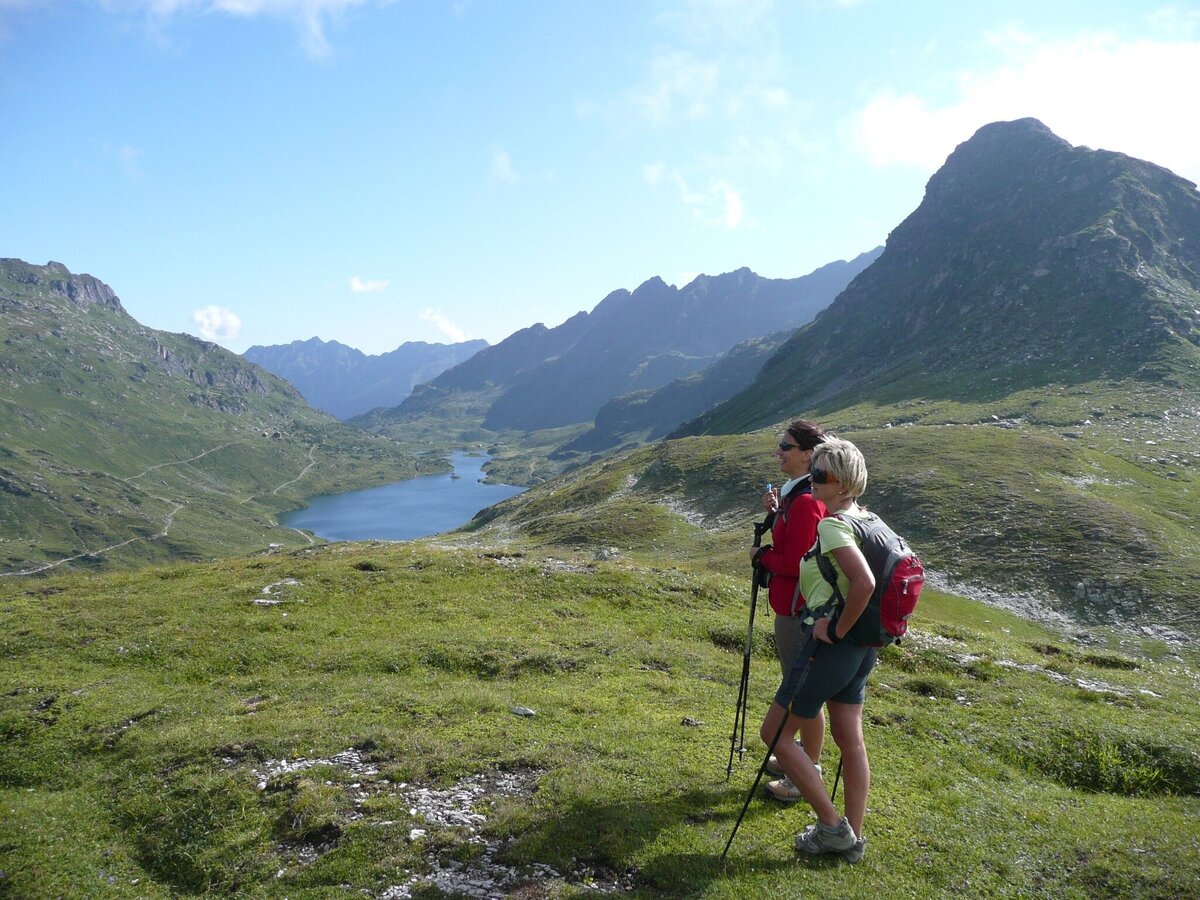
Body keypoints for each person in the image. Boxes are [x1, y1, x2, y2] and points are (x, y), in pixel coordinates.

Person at [758, 437, 877, 863]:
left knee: (775, 733)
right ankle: (853, 838)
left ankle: (831, 827)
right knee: (851, 741)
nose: (813, 480)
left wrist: (836, 629)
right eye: (815, 472)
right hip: (863, 647)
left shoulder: (832, 525)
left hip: (831, 647)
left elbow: (864, 583)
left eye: (821, 475)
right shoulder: (870, 520)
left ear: (842, 483)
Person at [750, 420, 827, 802]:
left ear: (808, 455)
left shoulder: (807, 501)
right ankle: (796, 759)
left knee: (804, 694)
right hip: (793, 608)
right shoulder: (796, 497)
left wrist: (762, 556)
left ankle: (806, 771)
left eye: (786, 446)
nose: (778, 451)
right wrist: (777, 512)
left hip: (799, 611)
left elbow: (798, 561)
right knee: (799, 689)